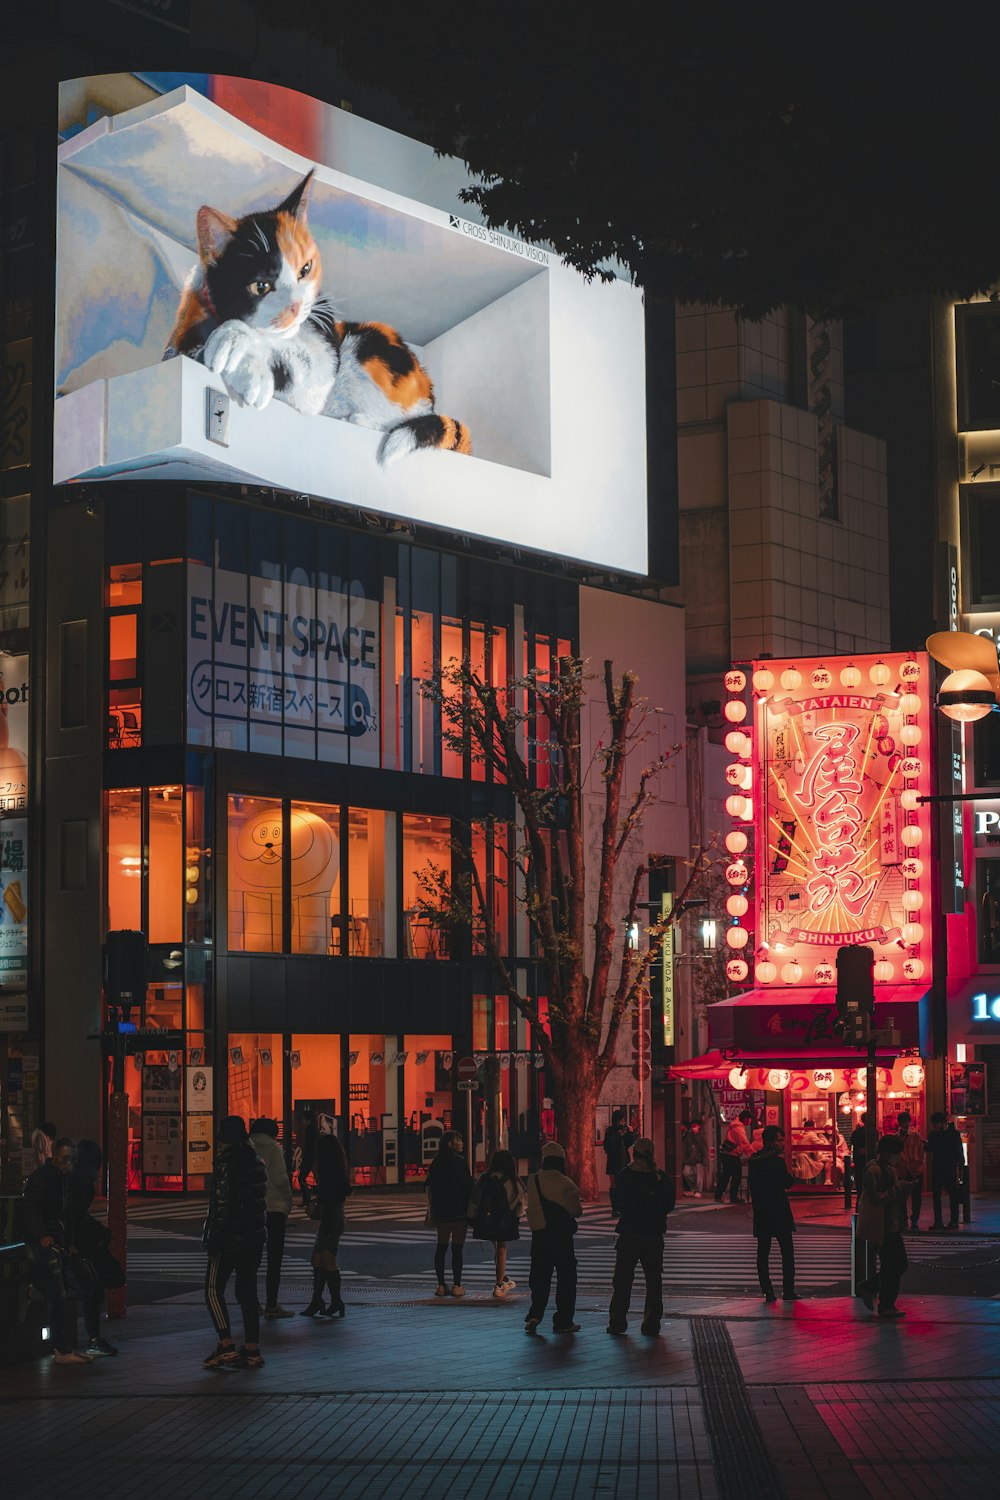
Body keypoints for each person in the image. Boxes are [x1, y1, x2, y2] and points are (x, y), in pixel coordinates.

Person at [202, 1115, 267, 1369]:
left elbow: (223, 1206)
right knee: (247, 1293)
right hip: (253, 1238)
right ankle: (252, 1349)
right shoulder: (256, 1161)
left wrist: (214, 1239)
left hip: (230, 1239)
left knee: (212, 1289)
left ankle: (226, 1344)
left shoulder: (226, 1164)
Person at [23, 1136, 93, 1365]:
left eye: (73, 1160)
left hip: (55, 1241)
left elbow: (65, 1212)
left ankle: (62, 1347)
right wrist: (41, 1235)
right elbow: (33, 1208)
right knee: (57, 1295)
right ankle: (62, 1348)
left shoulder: (58, 1178)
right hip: (46, 1243)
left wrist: (68, 1240)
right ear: (54, 1155)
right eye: (66, 1159)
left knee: (60, 1294)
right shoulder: (45, 1179)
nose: (70, 1164)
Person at [607, 1136, 675, 1336]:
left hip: (629, 1233)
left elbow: (618, 1203)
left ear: (634, 1154)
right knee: (653, 1281)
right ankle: (651, 1323)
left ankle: (618, 1322)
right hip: (653, 1234)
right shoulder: (660, 1177)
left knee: (622, 1281)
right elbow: (669, 1204)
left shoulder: (626, 1175)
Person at [68, 1138, 121, 1356]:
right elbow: (75, 1215)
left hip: (72, 1241)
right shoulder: (82, 1184)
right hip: (77, 1244)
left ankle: (78, 1339)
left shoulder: (71, 1179)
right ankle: (92, 1337)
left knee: (85, 1288)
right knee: (91, 1288)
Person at [524, 1141, 583, 1333]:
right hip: (561, 1237)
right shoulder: (568, 1184)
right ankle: (563, 1320)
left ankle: (535, 1314)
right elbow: (576, 1211)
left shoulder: (533, 1180)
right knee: (566, 1279)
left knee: (540, 1277)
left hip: (539, 1236)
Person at [857, 1135, 909, 1318]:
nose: (899, 1157)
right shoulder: (875, 1171)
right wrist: (899, 1189)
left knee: (897, 1264)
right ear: (887, 1153)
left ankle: (870, 1288)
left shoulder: (888, 1168)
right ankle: (886, 1304)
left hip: (892, 1224)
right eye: (897, 1153)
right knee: (894, 1265)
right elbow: (876, 1199)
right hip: (882, 1226)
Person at [301, 1132, 351, 1318]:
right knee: (318, 1258)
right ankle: (325, 1301)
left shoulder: (329, 1170)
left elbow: (333, 1193)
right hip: (333, 1217)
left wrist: (318, 1195)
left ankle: (329, 1301)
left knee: (325, 1259)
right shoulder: (337, 1167)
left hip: (331, 1218)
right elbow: (345, 1190)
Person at [250, 1116, 294, 1318]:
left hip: (253, 1209)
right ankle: (272, 1303)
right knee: (274, 1259)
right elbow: (280, 1179)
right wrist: (288, 1200)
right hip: (274, 1208)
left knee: (252, 1259)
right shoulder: (274, 1149)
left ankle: (252, 1303)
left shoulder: (247, 1147)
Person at [748, 1125, 797, 1302]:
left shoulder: (754, 1161)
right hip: (779, 1211)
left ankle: (767, 1291)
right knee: (787, 1252)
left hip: (762, 1212)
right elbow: (788, 1183)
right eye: (779, 1140)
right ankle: (788, 1290)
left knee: (763, 1253)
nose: (782, 1143)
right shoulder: (776, 1162)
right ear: (770, 1141)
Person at [469, 1148, 524, 1298]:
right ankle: (499, 1285)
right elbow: (519, 1204)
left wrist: (473, 1218)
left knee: (496, 1248)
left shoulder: (484, 1178)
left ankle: (503, 1278)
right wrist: (516, 1217)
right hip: (505, 1219)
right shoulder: (512, 1180)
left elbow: (475, 1199)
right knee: (502, 1249)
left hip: (486, 1218)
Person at [425, 1129, 473, 1298]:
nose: (461, 1143)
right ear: (451, 1143)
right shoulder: (459, 1162)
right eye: (459, 1140)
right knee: (457, 1249)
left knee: (441, 1247)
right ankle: (457, 1285)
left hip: (442, 1211)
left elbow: (429, 1185)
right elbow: (467, 1187)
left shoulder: (436, 1162)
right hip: (459, 1211)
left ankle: (440, 1284)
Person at [926, 1111, 964, 1231]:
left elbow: (959, 1151)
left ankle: (954, 1221)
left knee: (953, 1195)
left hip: (950, 1168)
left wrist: (961, 1167)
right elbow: (930, 1149)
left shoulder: (954, 1134)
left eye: (936, 1124)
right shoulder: (933, 1134)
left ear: (942, 1123)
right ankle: (938, 1222)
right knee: (936, 1195)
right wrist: (924, 1145)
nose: (935, 1127)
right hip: (937, 1167)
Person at [895, 1111, 925, 1232]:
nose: (905, 1124)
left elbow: (921, 1153)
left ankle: (914, 1219)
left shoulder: (916, 1136)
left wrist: (919, 1164)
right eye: (903, 1122)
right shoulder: (896, 1138)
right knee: (901, 1197)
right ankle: (904, 1219)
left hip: (915, 1170)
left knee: (916, 1198)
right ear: (899, 1123)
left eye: (907, 1122)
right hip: (902, 1171)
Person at [715, 1110, 753, 1204]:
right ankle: (733, 1197)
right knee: (736, 1176)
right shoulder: (738, 1128)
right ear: (745, 1119)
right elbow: (744, 1143)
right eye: (749, 1120)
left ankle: (718, 1195)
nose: (749, 1122)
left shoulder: (733, 1125)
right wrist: (753, 1154)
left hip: (727, 1153)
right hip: (732, 1155)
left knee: (726, 1175)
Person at [602, 1111, 635, 1205]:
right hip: (614, 1159)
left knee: (623, 1183)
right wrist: (618, 1135)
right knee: (614, 1184)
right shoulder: (610, 1131)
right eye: (619, 1120)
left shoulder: (625, 1130)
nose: (621, 1123)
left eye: (622, 1120)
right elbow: (607, 1146)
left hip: (623, 1158)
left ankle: (622, 1203)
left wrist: (630, 1133)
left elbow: (630, 1143)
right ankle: (615, 1205)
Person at [791, 1119, 826, 1184]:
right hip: (806, 1158)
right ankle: (817, 1184)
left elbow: (794, 1141)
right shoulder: (811, 1134)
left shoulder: (801, 1134)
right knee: (820, 1165)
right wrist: (823, 1140)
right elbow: (819, 1143)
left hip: (799, 1158)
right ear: (812, 1127)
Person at [682, 1119, 709, 1197]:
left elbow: (705, 1149)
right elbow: (685, 1148)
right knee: (686, 1173)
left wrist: (705, 1160)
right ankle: (694, 1189)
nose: (693, 1128)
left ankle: (698, 1191)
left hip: (699, 1160)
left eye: (695, 1126)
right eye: (692, 1126)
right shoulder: (689, 1136)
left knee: (699, 1177)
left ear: (699, 1126)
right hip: (689, 1160)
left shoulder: (702, 1136)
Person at [298, 1106, 319, 1209]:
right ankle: (310, 1197)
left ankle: (307, 1198)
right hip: (313, 1157)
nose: (302, 1121)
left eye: (303, 1118)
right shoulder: (314, 1129)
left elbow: (309, 1145)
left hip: (309, 1158)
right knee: (317, 1178)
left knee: (301, 1178)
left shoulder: (309, 1130)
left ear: (307, 1119)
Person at [850, 1113, 869, 1199]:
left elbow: (854, 1145)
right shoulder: (873, 1132)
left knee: (860, 1186)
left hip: (860, 1162)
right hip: (863, 1162)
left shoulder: (856, 1133)